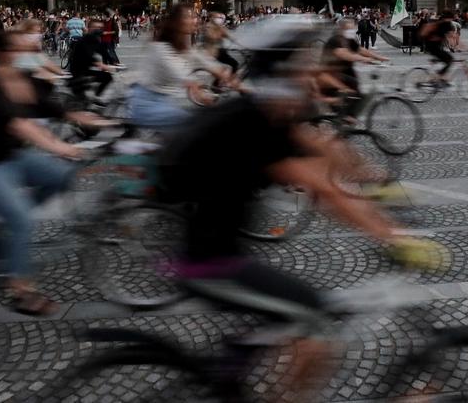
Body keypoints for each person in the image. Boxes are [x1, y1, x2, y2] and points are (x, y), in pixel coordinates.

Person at [165, 21, 444, 400]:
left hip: (224, 250)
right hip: (208, 263)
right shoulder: (256, 121)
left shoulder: (271, 109)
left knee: (284, 323)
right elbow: (325, 190)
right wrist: (392, 237)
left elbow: (326, 149)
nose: (312, 69)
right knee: (313, 318)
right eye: (303, 62)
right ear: (284, 68)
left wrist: (379, 183)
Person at [0, 29, 99, 316]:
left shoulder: (21, 81)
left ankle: (7, 228)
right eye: (17, 49)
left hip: (8, 156)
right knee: (21, 219)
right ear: (0, 53)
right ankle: (19, 288)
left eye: (26, 50)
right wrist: (60, 147)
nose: (24, 54)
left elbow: (50, 107)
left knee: (61, 176)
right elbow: (20, 125)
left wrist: (91, 119)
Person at [128, 3, 212, 130]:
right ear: (176, 22)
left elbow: (204, 60)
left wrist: (228, 77)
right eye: (188, 17)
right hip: (147, 106)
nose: (195, 20)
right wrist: (199, 91)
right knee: (193, 125)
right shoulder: (161, 47)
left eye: (194, 16)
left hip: (163, 103)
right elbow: (180, 74)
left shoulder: (183, 45)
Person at [323, 17, 390, 116]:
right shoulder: (335, 40)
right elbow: (344, 54)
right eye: (349, 29)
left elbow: (361, 50)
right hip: (332, 74)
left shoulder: (349, 40)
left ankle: (346, 118)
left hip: (346, 72)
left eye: (352, 28)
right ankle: (342, 117)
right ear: (341, 29)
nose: (352, 31)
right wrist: (363, 59)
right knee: (350, 94)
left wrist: (379, 58)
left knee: (356, 94)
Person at [68, 20, 115, 98]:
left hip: (86, 69)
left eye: (100, 28)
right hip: (79, 71)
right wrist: (100, 64)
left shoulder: (96, 39)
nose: (98, 29)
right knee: (82, 98)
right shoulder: (85, 40)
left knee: (107, 77)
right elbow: (88, 55)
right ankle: (92, 99)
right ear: (88, 28)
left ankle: (95, 98)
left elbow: (103, 52)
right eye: (95, 27)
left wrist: (113, 62)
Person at [418, 10, 460, 85]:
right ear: (450, 18)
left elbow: (449, 37)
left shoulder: (440, 21)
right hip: (433, 47)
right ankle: (439, 77)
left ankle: (439, 77)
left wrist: (453, 45)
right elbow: (451, 36)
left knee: (444, 58)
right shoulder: (446, 24)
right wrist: (458, 47)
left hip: (431, 46)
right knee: (450, 59)